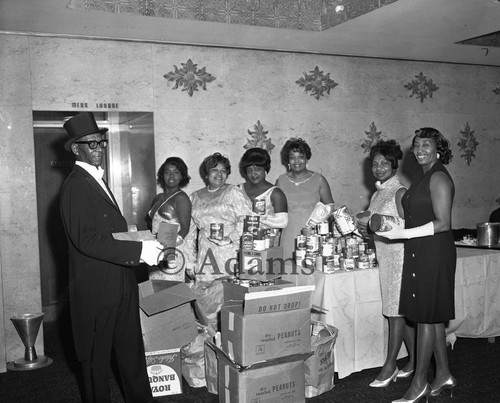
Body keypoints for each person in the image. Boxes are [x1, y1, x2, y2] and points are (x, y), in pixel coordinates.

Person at [59, 112, 162, 403]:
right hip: (96, 289)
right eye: (91, 144)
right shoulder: (75, 185)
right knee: (96, 362)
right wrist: (139, 251)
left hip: (120, 281)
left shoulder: (96, 180)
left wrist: (140, 238)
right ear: (76, 149)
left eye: (102, 142)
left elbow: (107, 231)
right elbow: (86, 240)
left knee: (131, 352)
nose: (99, 148)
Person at [377, 128, 456, 403]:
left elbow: (443, 223)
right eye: (416, 144)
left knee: (425, 316)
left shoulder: (439, 177)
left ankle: (419, 383)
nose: (420, 148)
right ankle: (444, 373)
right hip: (418, 251)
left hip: (434, 253)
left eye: (426, 144)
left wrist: (404, 234)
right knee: (431, 317)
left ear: (438, 149)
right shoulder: (422, 177)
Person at [356, 140, 415, 388]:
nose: (379, 168)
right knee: (399, 312)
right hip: (385, 255)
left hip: (400, 256)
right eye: (375, 163)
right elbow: (377, 229)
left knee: (394, 312)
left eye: (384, 163)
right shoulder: (379, 193)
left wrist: (377, 224)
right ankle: (413, 361)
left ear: (393, 165)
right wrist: (364, 229)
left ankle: (390, 365)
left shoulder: (400, 192)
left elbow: (409, 228)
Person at [276, 138, 335, 281]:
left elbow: (330, 208)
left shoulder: (319, 179)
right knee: (288, 279)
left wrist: (317, 224)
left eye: (301, 157)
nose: (297, 161)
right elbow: (276, 211)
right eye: (292, 157)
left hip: (312, 239)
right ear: (287, 161)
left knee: (310, 279)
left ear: (307, 158)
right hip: (288, 237)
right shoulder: (281, 181)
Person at [187, 152, 252, 281]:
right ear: (206, 174)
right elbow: (190, 231)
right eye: (214, 170)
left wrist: (230, 238)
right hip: (205, 253)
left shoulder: (233, 191)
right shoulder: (194, 197)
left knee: (229, 295)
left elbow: (248, 219)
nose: (219, 174)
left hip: (229, 252)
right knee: (204, 296)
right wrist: (190, 260)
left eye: (223, 171)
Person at [147, 156, 192, 282]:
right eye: (167, 172)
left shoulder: (182, 198)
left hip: (172, 253)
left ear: (182, 176)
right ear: (162, 175)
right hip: (155, 251)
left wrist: (168, 247)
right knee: (155, 291)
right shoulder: (157, 198)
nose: (171, 176)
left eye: (176, 172)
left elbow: (185, 229)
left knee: (171, 293)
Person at [238, 147, 288, 245]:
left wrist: (259, 218)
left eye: (257, 169)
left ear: (265, 169)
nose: (253, 174)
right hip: (241, 245)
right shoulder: (237, 190)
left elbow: (283, 222)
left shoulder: (275, 193)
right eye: (249, 170)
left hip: (266, 245)